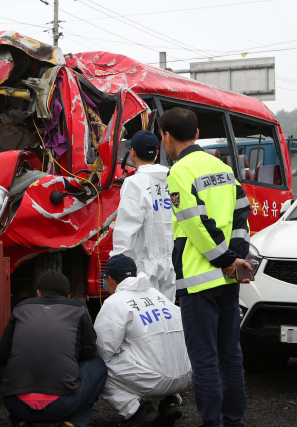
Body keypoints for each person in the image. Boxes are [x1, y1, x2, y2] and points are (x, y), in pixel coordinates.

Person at [159, 107, 253, 427]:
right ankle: (234, 422)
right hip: (228, 280)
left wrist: (225, 259)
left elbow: (195, 223)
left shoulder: (180, 171)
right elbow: (242, 216)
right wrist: (236, 259)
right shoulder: (223, 168)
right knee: (231, 356)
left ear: (166, 137)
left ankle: (212, 423)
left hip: (199, 282)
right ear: (197, 134)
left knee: (205, 360)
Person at [0, 270, 107, 427]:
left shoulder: (21, 308)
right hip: (62, 405)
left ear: (38, 293)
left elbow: (3, 352)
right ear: (68, 296)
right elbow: (89, 352)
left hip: (16, 404)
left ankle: (20, 420)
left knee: (6, 365)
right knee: (98, 365)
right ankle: (73, 422)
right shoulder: (79, 308)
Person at [94, 254, 192, 427]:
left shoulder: (115, 302)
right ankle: (170, 402)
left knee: (97, 367)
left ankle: (137, 410)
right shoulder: (156, 294)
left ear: (109, 278)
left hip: (155, 380)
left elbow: (103, 349)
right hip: (185, 375)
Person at [111, 130, 176, 301]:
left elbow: (126, 227)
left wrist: (118, 263)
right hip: (169, 264)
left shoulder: (135, 183)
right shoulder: (171, 179)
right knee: (165, 314)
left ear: (132, 153)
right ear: (156, 153)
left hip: (143, 268)